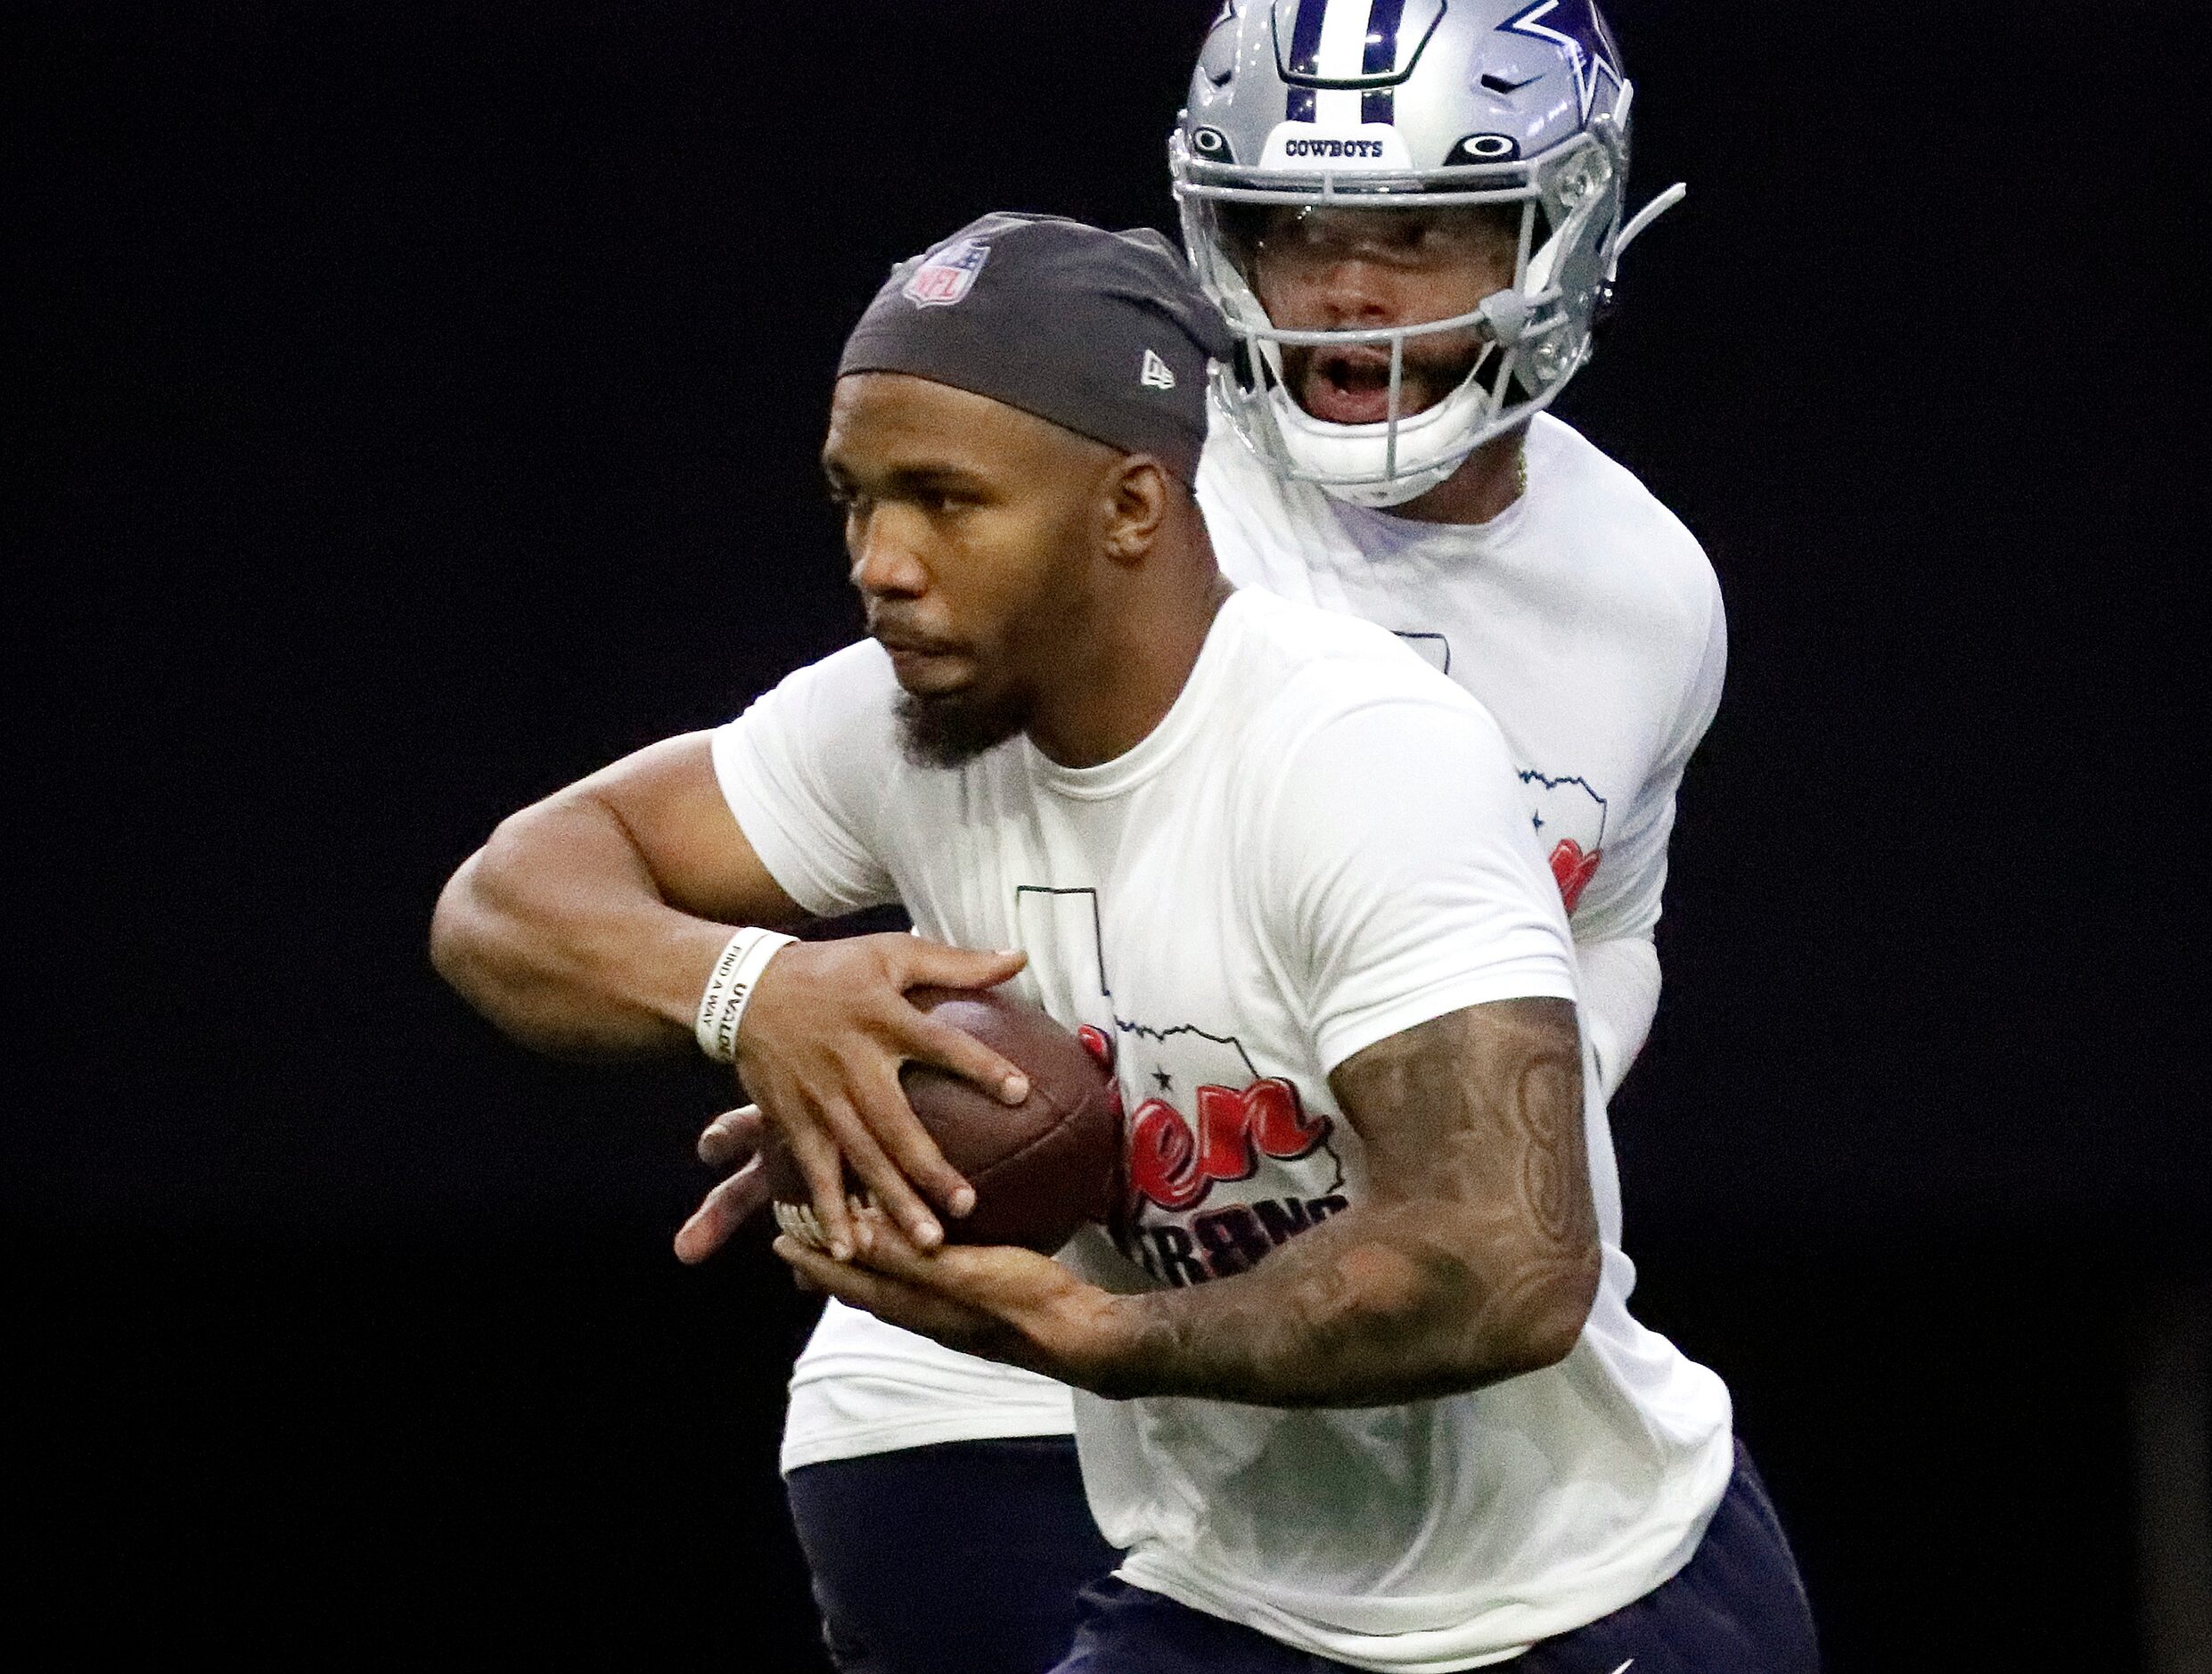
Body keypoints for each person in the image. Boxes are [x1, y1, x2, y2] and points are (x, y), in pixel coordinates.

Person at [432, 213, 1815, 1670]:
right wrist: (755, 989)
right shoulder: (896, 723)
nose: (880, 563)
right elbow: (505, 897)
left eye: (945, 501)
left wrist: (1105, 1338)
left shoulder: (1360, 752)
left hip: (1582, 1595)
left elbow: (1513, 1263)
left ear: (1136, 509)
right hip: (1233, 1582)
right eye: (856, 501)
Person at [677, 5, 1742, 1669]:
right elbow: (622, 851)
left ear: (1566, 223)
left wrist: (1428, 1141)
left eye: (1414, 226)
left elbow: (1603, 921)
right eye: (1293, 229)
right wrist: (769, 993)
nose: (1346, 291)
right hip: (985, 1375)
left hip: (1338, 1385)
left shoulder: (1650, 587)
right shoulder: (1132, 495)